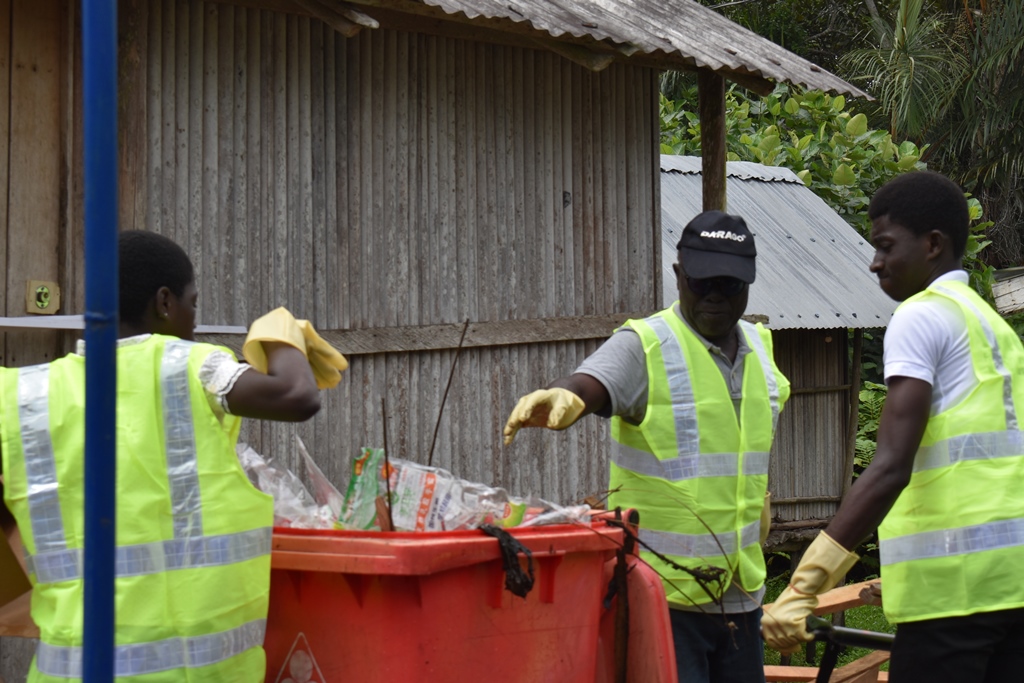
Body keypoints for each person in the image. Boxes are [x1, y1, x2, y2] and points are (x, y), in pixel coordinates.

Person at [0, 230, 347, 682]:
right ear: (165, 302)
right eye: (193, 302)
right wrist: (279, 336)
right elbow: (296, 396)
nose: (194, 319)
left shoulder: (20, 394)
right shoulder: (192, 364)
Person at [504, 210, 790, 683]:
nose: (716, 296)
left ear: (749, 283)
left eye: (730, 284)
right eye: (703, 283)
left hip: (742, 595)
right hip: (665, 597)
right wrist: (567, 395)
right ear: (679, 276)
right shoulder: (646, 345)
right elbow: (592, 381)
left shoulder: (761, 349)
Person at [762, 171, 1024, 682]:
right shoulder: (991, 325)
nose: (874, 261)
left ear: (932, 245)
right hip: (1011, 588)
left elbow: (890, 466)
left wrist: (804, 585)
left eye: (885, 245)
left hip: (950, 595)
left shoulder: (919, 317)